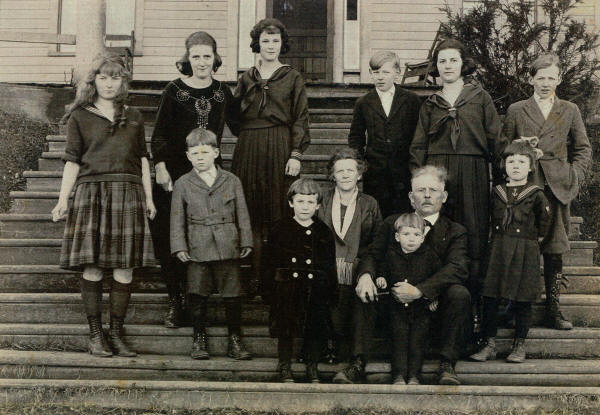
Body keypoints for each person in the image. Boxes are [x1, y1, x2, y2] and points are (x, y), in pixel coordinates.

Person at [52, 53, 157, 358]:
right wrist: (63, 199)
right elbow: (72, 161)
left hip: (128, 191)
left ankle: (116, 334)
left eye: (115, 77)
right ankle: (96, 335)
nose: (109, 83)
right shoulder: (80, 116)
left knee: (125, 269)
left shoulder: (134, 116)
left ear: (123, 82)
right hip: (92, 193)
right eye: (103, 77)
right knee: (94, 266)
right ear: (93, 80)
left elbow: (142, 160)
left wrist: (148, 198)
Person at [333, 165, 470, 386]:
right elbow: (372, 255)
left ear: (444, 196)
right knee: (363, 289)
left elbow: (457, 267)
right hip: (392, 308)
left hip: (430, 309)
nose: (426, 195)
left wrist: (420, 291)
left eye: (433, 190)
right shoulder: (392, 224)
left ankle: (447, 363)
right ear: (410, 196)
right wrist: (366, 275)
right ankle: (357, 362)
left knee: (459, 294)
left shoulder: (455, 231)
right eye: (420, 190)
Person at [409, 39, 502, 326]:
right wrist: (419, 180)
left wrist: (500, 183)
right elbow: (418, 146)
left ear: (463, 64)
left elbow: (495, 140)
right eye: (442, 61)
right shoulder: (430, 103)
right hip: (439, 174)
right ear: (436, 68)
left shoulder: (480, 97)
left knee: (473, 237)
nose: (447, 66)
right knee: (438, 233)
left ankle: (471, 310)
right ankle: (434, 302)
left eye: (452, 60)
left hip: (472, 171)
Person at [150, 31, 240, 328]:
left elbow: (242, 125)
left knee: (204, 233)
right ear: (187, 59)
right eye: (196, 56)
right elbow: (159, 133)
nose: (202, 62)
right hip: (174, 175)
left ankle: (196, 298)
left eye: (207, 56)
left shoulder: (223, 92)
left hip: (210, 174)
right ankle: (176, 302)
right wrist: (160, 167)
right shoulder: (174, 90)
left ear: (215, 58)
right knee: (171, 236)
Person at [501, 52, 592, 330]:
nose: (546, 83)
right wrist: (520, 147)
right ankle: (515, 307)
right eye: (540, 78)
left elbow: (583, 148)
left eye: (551, 78)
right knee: (521, 248)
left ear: (559, 79)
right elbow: (502, 150)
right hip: (525, 189)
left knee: (553, 250)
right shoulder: (517, 110)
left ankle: (554, 308)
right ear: (530, 79)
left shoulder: (570, 109)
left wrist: (574, 175)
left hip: (556, 188)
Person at [232, 18, 310, 286]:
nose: (270, 46)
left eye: (275, 40)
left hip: (279, 144)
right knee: (251, 211)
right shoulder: (246, 78)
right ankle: (253, 278)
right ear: (257, 44)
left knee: (278, 211)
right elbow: (233, 117)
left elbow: (300, 116)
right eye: (265, 40)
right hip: (249, 145)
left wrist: (296, 153)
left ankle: (274, 279)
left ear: (282, 44)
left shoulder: (292, 76)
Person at [170, 128, 253, 361]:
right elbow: (177, 218)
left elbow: (242, 212)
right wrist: (179, 246)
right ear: (188, 156)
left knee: (232, 293)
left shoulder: (232, 180)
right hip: (197, 246)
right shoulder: (183, 183)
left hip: (228, 244)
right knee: (196, 293)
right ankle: (199, 338)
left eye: (205, 152)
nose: (200, 157)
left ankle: (235, 339)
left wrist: (246, 239)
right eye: (195, 153)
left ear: (216, 152)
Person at [470, 141, 551, 363]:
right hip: (498, 248)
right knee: (491, 295)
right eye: (511, 161)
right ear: (504, 165)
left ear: (531, 167)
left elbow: (545, 224)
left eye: (522, 162)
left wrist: (532, 245)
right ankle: (489, 343)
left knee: (523, 297)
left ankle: (519, 345)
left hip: (525, 248)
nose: (516, 166)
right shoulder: (496, 192)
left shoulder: (536, 194)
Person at [262, 178, 337, 383]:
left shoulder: (323, 231)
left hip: (315, 288)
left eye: (310, 202)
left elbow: (330, 265)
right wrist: (268, 290)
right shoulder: (280, 228)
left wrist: (331, 291)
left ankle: (312, 366)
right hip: (287, 288)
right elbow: (268, 262)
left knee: (314, 328)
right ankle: (284, 365)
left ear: (318, 205)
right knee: (286, 327)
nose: (305, 207)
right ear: (291, 203)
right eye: (301, 201)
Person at [317, 149, 383, 364]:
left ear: (359, 174)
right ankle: (329, 344)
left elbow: (376, 243)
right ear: (332, 175)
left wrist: (367, 272)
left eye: (350, 170)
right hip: (325, 266)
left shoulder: (370, 203)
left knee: (362, 292)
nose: (345, 175)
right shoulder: (322, 199)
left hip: (358, 266)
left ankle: (354, 355)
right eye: (340, 171)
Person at [348, 51, 421, 218]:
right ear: (370, 74)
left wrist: (415, 165)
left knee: (403, 216)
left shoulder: (411, 100)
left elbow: (419, 136)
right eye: (376, 72)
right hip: (375, 171)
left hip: (403, 170)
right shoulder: (364, 103)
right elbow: (356, 137)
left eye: (385, 72)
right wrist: (359, 165)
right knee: (377, 215)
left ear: (397, 73)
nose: (380, 77)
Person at [375, 213, 442, 384]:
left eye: (416, 235)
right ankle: (398, 375)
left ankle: (414, 376)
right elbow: (382, 270)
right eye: (406, 234)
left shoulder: (430, 256)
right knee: (399, 340)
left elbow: (437, 280)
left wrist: (434, 298)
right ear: (397, 237)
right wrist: (381, 278)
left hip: (420, 310)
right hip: (396, 309)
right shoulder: (391, 255)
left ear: (422, 237)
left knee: (417, 342)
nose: (411, 239)